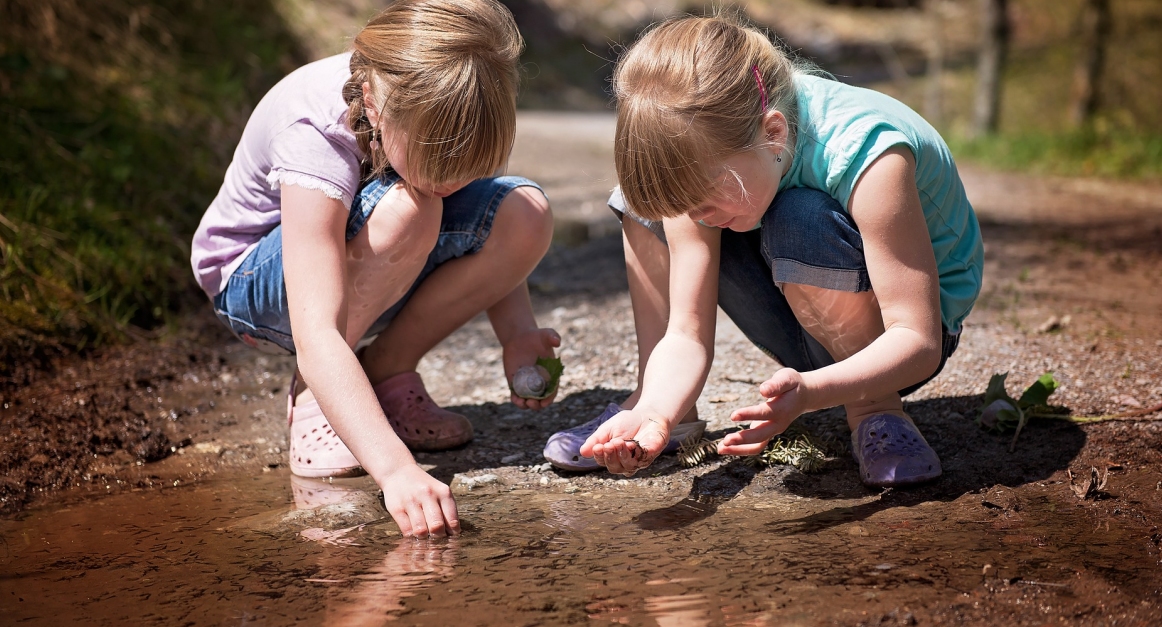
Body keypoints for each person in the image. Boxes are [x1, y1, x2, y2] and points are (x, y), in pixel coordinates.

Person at [544, 13, 982, 487]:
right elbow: (687, 334)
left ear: (773, 133)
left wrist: (811, 393)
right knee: (642, 201)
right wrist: (655, 410)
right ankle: (661, 400)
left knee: (799, 216)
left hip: (898, 343)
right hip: (804, 321)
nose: (700, 219)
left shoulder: (868, 151)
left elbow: (918, 341)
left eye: (708, 202)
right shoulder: (718, 160)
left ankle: (875, 410)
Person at [191, 0, 559, 538]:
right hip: (255, 284)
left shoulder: (458, 103)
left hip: (366, 259)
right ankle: (316, 396)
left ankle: (387, 369)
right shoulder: (314, 131)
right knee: (413, 208)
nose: (457, 183)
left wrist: (518, 331)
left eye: (472, 168)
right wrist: (396, 470)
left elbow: (481, 218)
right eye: (443, 166)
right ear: (373, 104)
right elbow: (315, 330)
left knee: (522, 212)